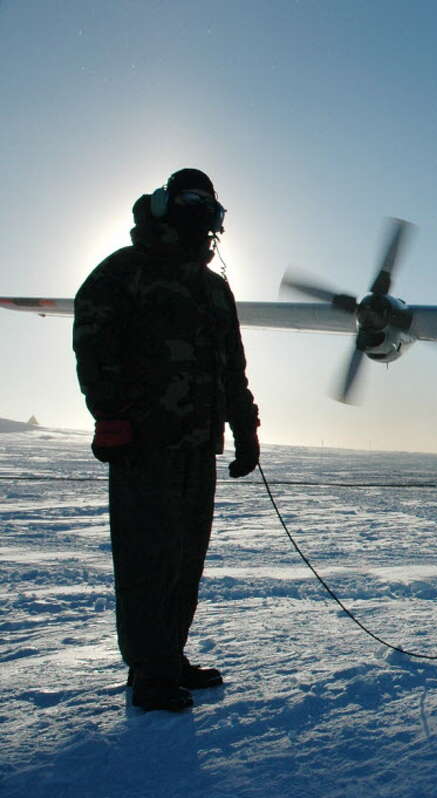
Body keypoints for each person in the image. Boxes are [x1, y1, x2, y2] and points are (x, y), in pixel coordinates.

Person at [73, 168, 260, 712]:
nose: (202, 212)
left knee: (184, 559)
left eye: (208, 202)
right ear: (163, 206)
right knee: (145, 557)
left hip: (198, 447)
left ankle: (168, 657)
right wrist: (110, 415)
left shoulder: (213, 289)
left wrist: (244, 429)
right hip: (143, 444)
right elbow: (92, 341)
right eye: (190, 200)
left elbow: (233, 370)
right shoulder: (124, 272)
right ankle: (149, 672)